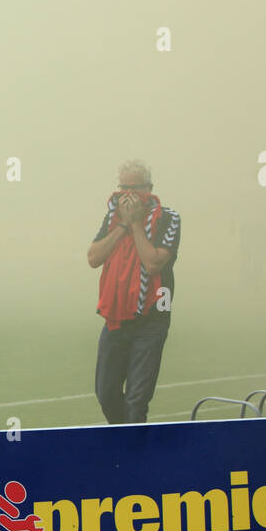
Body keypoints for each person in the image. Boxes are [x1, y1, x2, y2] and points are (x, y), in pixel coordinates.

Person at [87, 159, 181, 424]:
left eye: (135, 189)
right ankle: (124, 444)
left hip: (153, 317)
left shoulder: (169, 218)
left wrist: (137, 224)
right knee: (106, 393)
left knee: (136, 400)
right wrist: (123, 226)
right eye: (123, 188)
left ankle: (134, 456)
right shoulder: (113, 218)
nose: (128, 196)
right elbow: (93, 257)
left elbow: (153, 263)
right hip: (116, 317)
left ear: (149, 188)